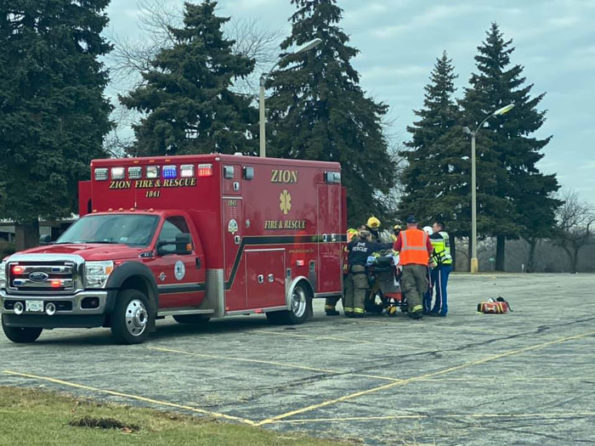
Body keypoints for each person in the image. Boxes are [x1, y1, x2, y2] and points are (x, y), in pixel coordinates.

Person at [344, 227, 392, 317]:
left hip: (349, 270)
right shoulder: (370, 245)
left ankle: (348, 310)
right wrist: (394, 244)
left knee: (350, 290)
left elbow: (345, 246)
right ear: (368, 237)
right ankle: (358, 311)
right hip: (360, 271)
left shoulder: (353, 243)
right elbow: (383, 246)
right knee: (360, 290)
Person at [393, 215, 433, 319]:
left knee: (409, 287)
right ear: (417, 224)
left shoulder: (403, 234)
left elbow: (396, 248)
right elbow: (430, 249)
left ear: (407, 224)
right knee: (420, 287)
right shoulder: (424, 234)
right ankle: (415, 310)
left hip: (408, 264)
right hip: (422, 264)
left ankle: (416, 307)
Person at [325, 228, 358, 316]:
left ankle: (329, 308)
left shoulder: (340, 240)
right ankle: (347, 308)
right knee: (347, 289)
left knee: (335, 288)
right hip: (346, 269)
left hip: (335, 268)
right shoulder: (352, 243)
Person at [427, 220, 452, 317]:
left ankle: (442, 309)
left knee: (441, 289)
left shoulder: (439, 236)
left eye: (434, 227)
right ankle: (436, 308)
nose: (432, 229)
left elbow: (426, 240)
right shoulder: (444, 236)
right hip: (443, 265)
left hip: (443, 265)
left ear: (439, 227)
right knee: (439, 288)